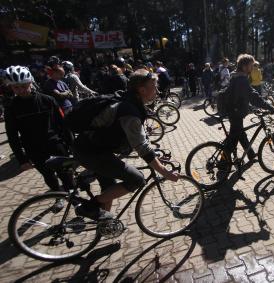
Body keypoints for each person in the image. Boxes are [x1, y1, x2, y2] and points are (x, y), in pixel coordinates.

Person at [73, 69, 179, 220]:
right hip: (91, 152)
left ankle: (104, 224)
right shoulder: (129, 110)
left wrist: (154, 158)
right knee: (137, 179)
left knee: (109, 189)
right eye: (154, 87)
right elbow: (142, 147)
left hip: (92, 147)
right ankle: (89, 207)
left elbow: (139, 137)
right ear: (142, 90)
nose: (157, 90)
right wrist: (165, 173)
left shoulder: (129, 100)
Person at [3, 66, 73, 202]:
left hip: (55, 145)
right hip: (34, 149)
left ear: (30, 82)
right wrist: (22, 159)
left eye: (24, 86)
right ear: (11, 87)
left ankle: (73, 200)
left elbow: (63, 125)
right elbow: (12, 136)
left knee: (66, 175)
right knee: (48, 176)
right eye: (16, 87)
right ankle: (58, 196)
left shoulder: (47, 100)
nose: (21, 90)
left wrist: (71, 146)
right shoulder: (11, 108)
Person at [223, 54, 274, 161]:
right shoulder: (242, 80)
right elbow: (254, 97)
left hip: (233, 111)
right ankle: (223, 163)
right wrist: (270, 107)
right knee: (232, 141)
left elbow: (239, 97)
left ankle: (251, 154)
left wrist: (251, 108)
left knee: (240, 134)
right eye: (251, 66)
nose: (252, 68)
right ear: (244, 67)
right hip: (236, 113)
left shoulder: (236, 77)